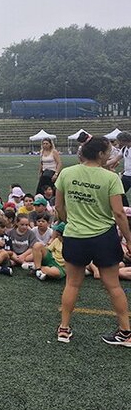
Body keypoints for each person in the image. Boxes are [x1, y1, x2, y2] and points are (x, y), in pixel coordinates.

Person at [55, 135, 131, 346]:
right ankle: (126, 333)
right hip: (104, 237)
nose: (110, 155)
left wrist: (70, 221)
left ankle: (64, 329)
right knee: (113, 286)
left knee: (72, 284)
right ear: (100, 154)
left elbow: (59, 207)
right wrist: (129, 240)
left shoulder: (67, 173)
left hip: (75, 236)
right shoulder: (110, 178)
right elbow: (119, 213)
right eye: (108, 151)